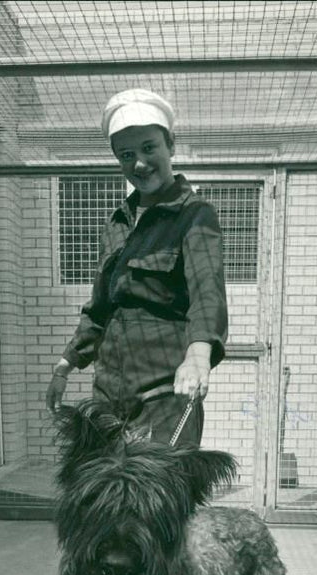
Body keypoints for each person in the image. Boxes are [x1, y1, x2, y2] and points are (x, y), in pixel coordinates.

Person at [46, 89, 228, 446]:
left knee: (159, 500)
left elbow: (207, 288)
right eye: (126, 155)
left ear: (170, 145)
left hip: (163, 400)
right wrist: (65, 366)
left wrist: (198, 354)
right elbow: (99, 309)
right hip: (109, 399)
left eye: (149, 148)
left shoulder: (193, 215)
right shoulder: (117, 224)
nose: (140, 163)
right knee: (104, 499)